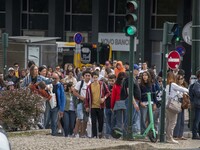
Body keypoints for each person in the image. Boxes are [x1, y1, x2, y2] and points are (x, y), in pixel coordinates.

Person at [85, 71, 110, 138]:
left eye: (96, 77)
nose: (95, 79)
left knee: (101, 121)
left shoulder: (102, 84)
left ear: (98, 77)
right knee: (93, 121)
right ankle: (94, 135)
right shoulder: (89, 86)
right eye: (94, 77)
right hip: (92, 106)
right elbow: (87, 97)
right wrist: (87, 106)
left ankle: (100, 132)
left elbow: (108, 93)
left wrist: (104, 98)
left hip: (100, 106)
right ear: (92, 78)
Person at [165, 71, 188, 144]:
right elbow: (183, 89)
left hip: (167, 105)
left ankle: (167, 137)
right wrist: (186, 91)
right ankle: (170, 138)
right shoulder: (173, 84)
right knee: (172, 122)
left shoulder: (167, 85)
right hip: (173, 105)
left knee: (168, 122)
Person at [120, 64, 141, 134]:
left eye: (138, 69)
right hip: (131, 101)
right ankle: (125, 133)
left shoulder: (135, 79)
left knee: (133, 118)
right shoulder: (130, 79)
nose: (138, 71)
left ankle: (130, 132)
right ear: (133, 70)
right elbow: (129, 92)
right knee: (129, 118)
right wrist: (134, 103)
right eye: (136, 69)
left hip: (135, 100)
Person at [73, 70, 92, 138]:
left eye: (89, 75)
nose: (87, 77)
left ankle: (83, 134)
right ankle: (76, 133)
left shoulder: (91, 84)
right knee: (79, 118)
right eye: (86, 75)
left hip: (88, 104)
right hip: (80, 102)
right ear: (83, 76)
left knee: (86, 119)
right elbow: (74, 91)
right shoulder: (80, 83)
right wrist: (80, 97)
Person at [50, 72, 66, 136]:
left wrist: (62, 109)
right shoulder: (48, 84)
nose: (54, 80)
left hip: (56, 106)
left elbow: (62, 98)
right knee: (46, 120)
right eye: (53, 78)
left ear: (58, 79)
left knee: (54, 121)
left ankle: (53, 134)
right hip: (48, 105)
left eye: (55, 78)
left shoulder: (60, 86)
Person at [173, 74, 188, 140]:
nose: (181, 80)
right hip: (178, 103)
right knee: (178, 119)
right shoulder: (176, 87)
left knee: (182, 120)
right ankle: (176, 134)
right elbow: (178, 95)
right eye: (179, 79)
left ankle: (180, 134)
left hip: (183, 104)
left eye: (182, 78)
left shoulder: (183, 86)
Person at [190, 70, 200, 140]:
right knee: (197, 120)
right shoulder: (197, 84)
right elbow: (198, 93)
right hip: (198, 105)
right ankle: (194, 134)